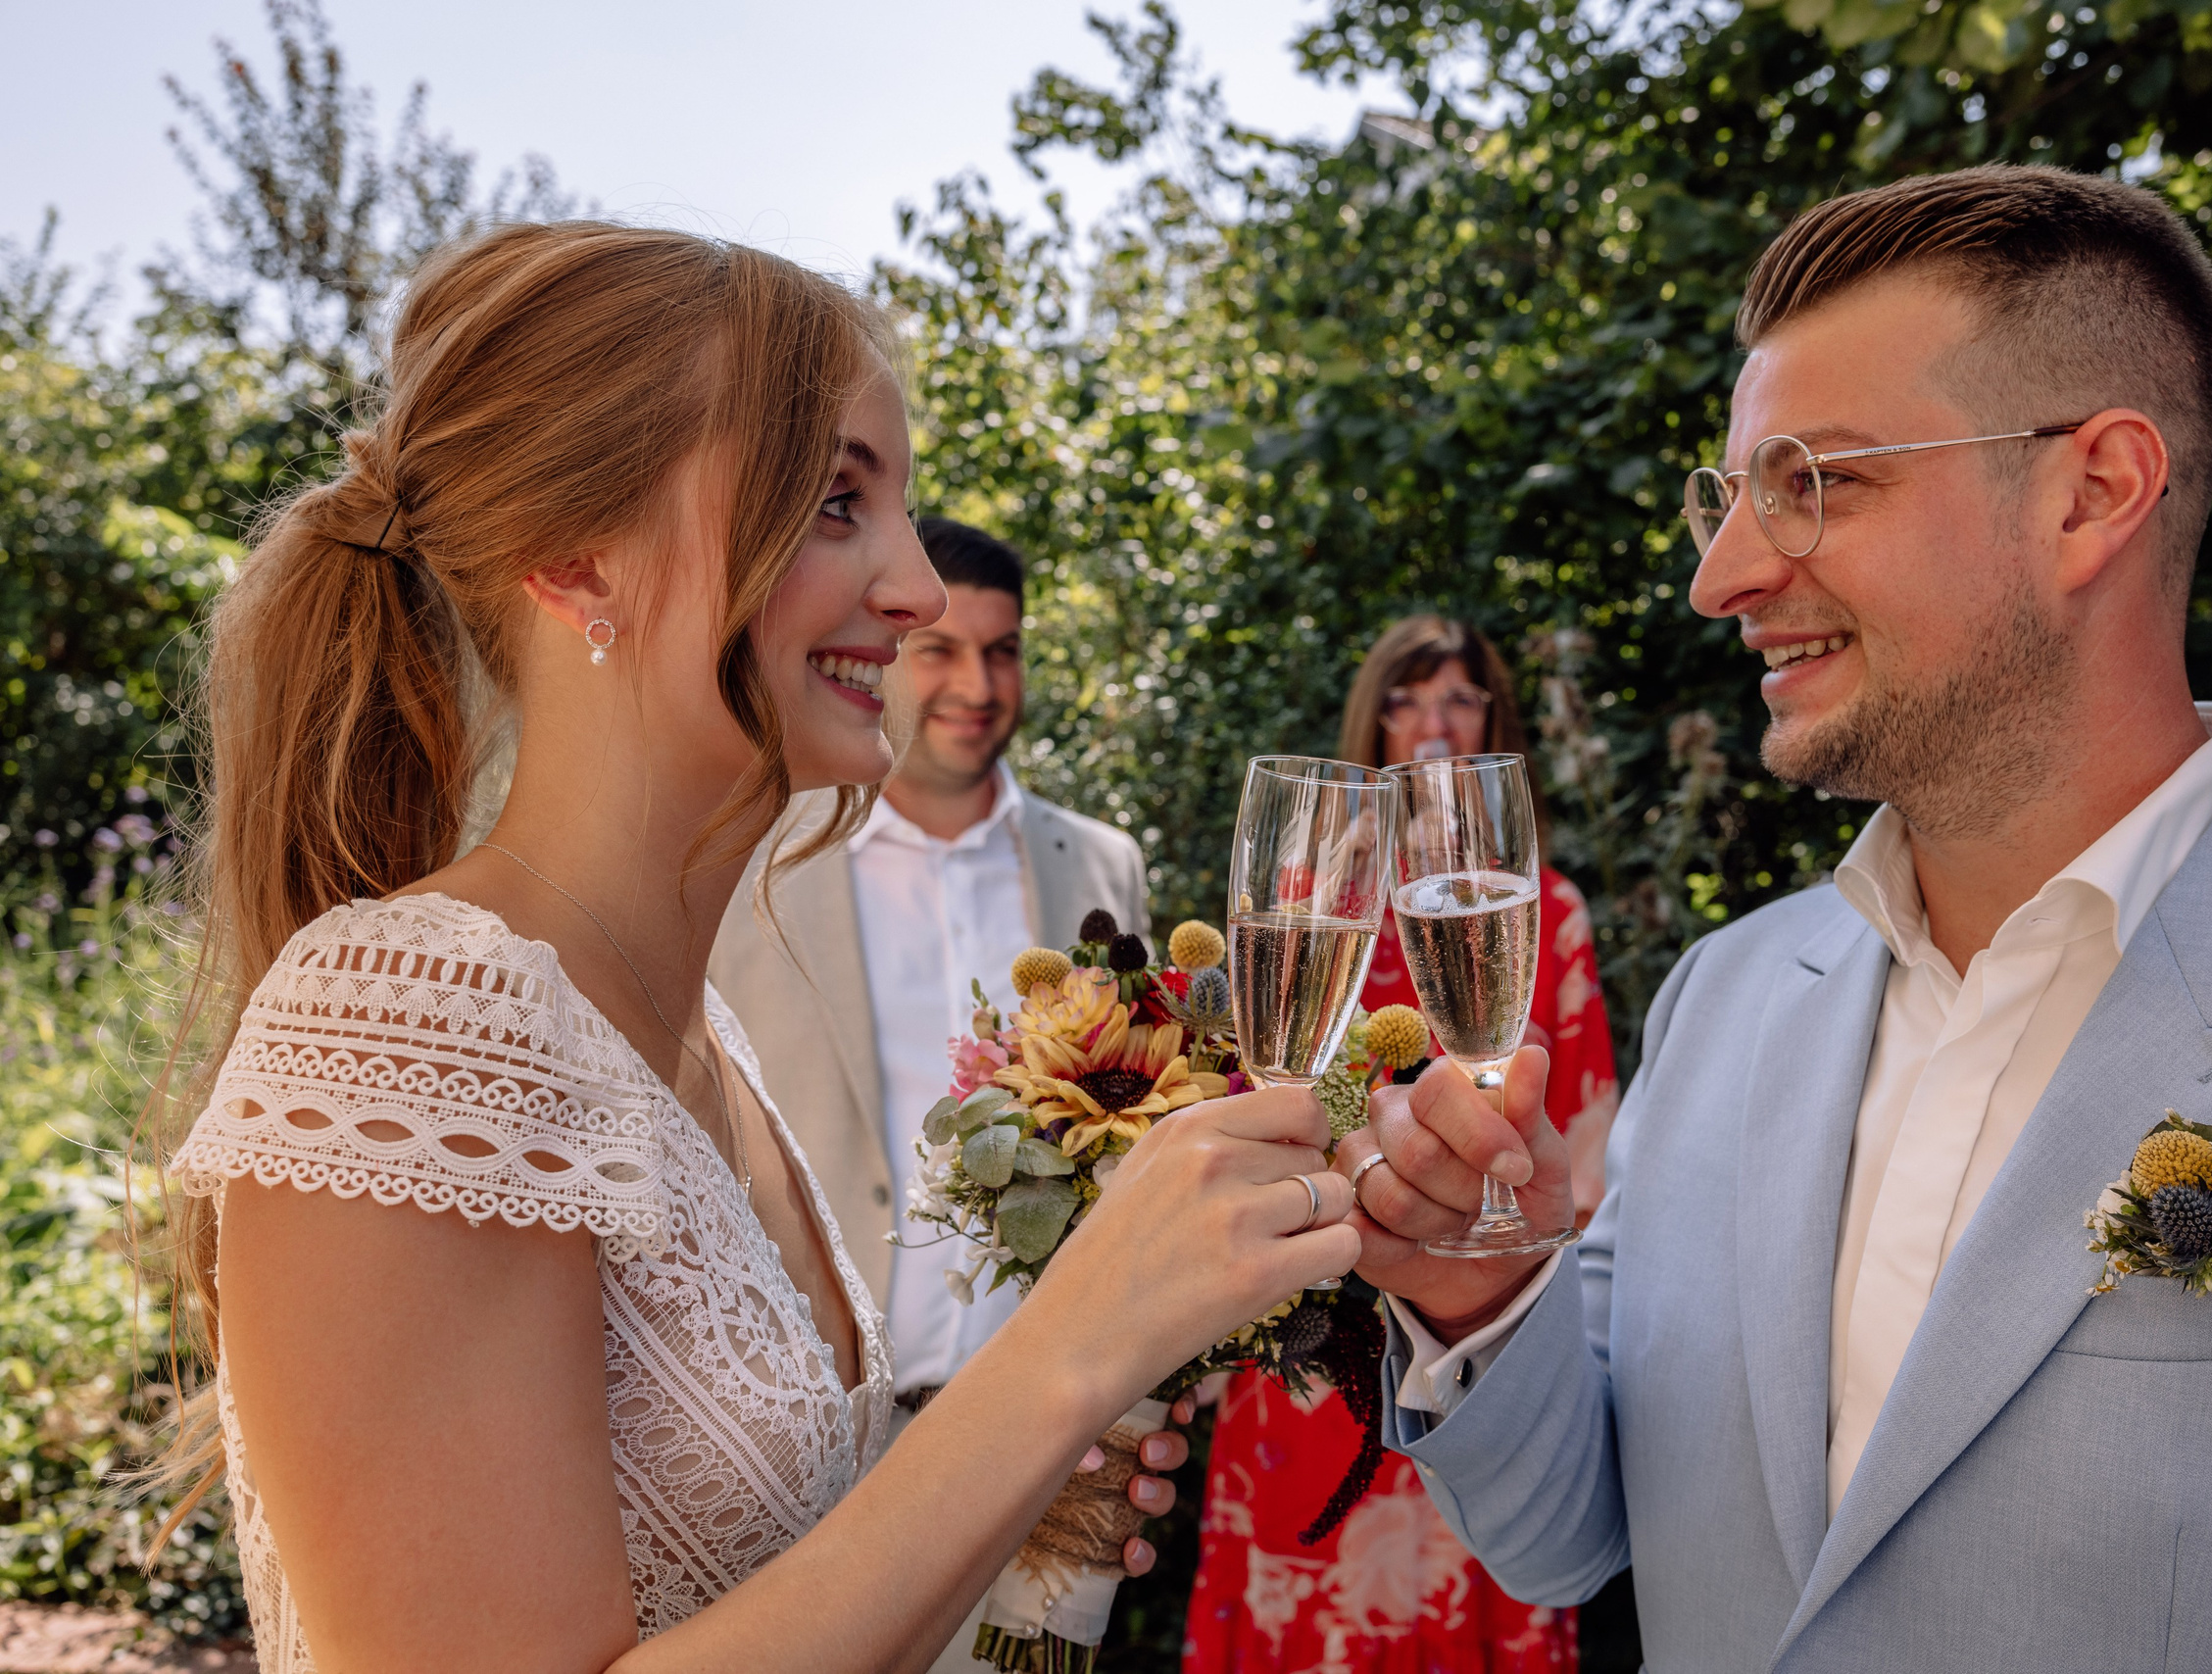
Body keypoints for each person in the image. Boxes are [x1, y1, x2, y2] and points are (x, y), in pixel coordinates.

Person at [152, 221, 1357, 1674]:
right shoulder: (413, 1024)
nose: (915, 589)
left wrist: (1000, 1540)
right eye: (834, 503)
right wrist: (1064, 1354)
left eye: (900, 507)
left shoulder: (689, 1039)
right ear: (575, 556)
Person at [1345, 165, 2212, 1671]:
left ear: (2092, 492)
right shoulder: (1723, 998)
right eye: (1731, 495)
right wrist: (1483, 1297)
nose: (1723, 575)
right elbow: (1575, 1535)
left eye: (1816, 482)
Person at [710, 517, 1145, 1671]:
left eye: (1003, 652)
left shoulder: (1101, 867)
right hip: (817, 1441)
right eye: (944, 649)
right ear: (884, 651)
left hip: (1051, 1441)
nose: (976, 683)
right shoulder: (754, 856)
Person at [1184, 616, 1617, 1673]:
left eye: (1461, 698)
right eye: (1409, 697)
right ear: (1371, 720)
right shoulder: (1305, 915)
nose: (1434, 721)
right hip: (1306, 1349)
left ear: (1492, 720)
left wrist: (1500, 1274)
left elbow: (1595, 1165)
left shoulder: (1543, 912)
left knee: (1477, 1568)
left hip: (1476, 1342)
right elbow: (1239, 1109)